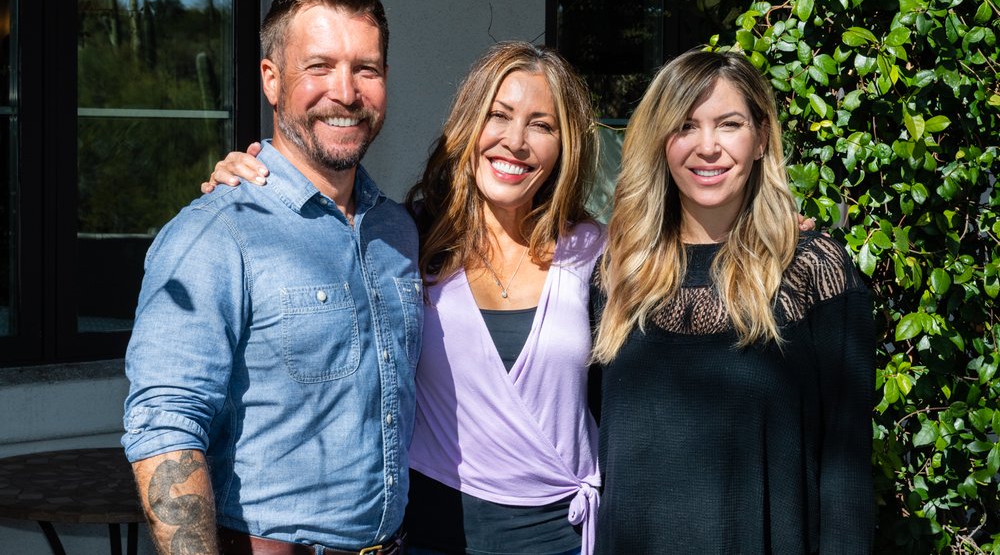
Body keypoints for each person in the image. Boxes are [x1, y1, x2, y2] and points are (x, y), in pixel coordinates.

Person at [204, 41, 604, 555]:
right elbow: (312, 230)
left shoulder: (595, 252)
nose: (515, 141)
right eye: (498, 115)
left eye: (542, 125)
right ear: (469, 124)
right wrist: (251, 179)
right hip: (430, 535)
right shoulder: (402, 237)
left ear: (565, 146)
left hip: (561, 538)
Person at [122, 0, 418, 555]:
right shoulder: (216, 233)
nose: (346, 92)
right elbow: (166, 424)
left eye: (366, 69)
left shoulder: (399, 232)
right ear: (272, 79)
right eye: (319, 66)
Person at [591, 48, 875, 553]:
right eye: (685, 126)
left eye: (729, 124)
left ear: (761, 138)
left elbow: (846, 473)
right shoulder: (619, 273)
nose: (708, 147)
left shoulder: (813, 271)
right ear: (660, 142)